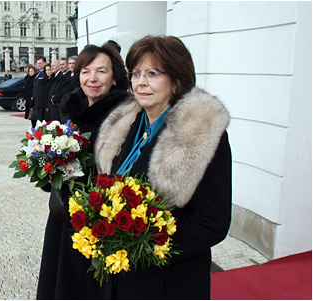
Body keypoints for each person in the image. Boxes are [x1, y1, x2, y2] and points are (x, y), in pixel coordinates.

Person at [93, 35, 232, 299]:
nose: (140, 82)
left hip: (169, 280)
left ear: (176, 81)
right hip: (123, 275)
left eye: (152, 73)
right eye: (135, 73)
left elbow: (213, 221)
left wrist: (145, 246)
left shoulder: (199, 136)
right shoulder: (128, 125)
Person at [36, 42, 130, 300]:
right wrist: (48, 168)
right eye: (86, 71)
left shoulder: (125, 116)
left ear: (114, 77)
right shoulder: (70, 109)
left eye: (102, 71)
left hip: (96, 221)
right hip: (62, 219)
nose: (93, 78)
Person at [32, 57, 47, 121]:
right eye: (37, 63)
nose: (38, 65)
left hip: (42, 100)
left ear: (45, 63)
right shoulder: (38, 73)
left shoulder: (45, 73)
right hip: (37, 99)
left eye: (40, 63)